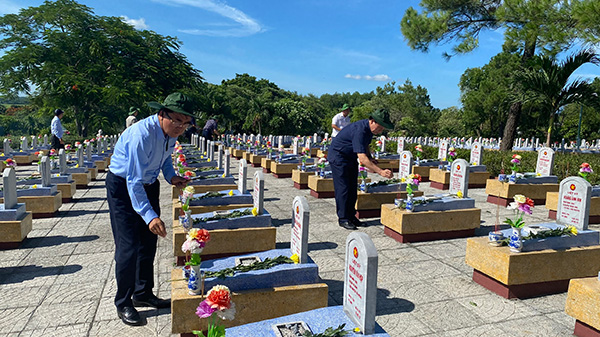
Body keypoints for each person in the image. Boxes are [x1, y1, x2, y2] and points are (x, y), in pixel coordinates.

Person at [106, 92, 192, 326]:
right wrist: (149, 215)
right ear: (162, 114)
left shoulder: (170, 134)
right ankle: (123, 302)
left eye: (185, 123)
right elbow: (133, 179)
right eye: (176, 120)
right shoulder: (141, 135)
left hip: (149, 183)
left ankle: (143, 293)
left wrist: (172, 177)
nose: (180, 127)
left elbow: (165, 158)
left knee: (148, 241)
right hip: (123, 186)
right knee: (128, 245)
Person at [328, 109, 394, 230]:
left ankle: (351, 216)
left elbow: (365, 146)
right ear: (372, 121)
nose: (380, 131)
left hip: (350, 157)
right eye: (380, 128)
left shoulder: (368, 130)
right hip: (338, 157)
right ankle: (343, 218)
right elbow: (362, 159)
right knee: (343, 188)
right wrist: (380, 171)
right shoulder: (360, 130)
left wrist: (370, 158)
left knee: (352, 187)